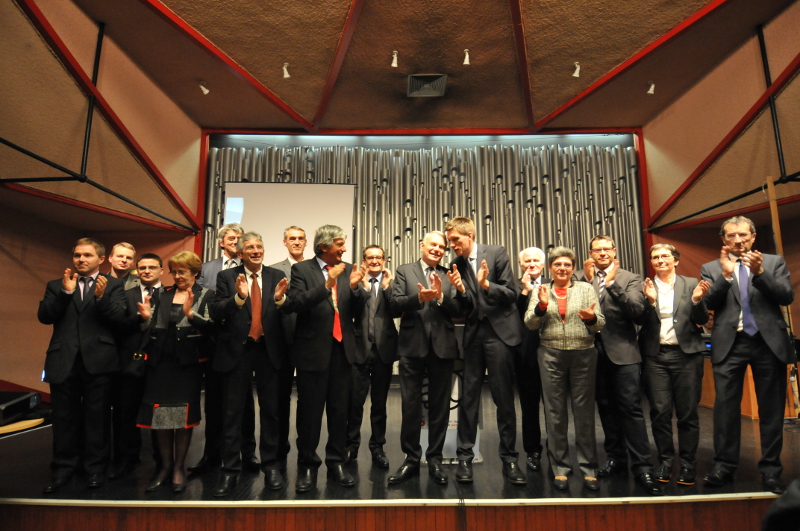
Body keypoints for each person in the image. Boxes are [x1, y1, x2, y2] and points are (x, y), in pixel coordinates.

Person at [700, 216, 795, 494]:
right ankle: (723, 467)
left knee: (771, 410)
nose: (738, 240)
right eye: (731, 236)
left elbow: (786, 297)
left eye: (743, 235)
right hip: (730, 343)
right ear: (724, 240)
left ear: (753, 236)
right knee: (726, 410)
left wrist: (761, 273)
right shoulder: (711, 267)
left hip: (768, 343)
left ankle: (771, 471)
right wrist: (726, 275)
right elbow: (706, 304)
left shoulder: (773, 262)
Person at [281, 225, 366, 492]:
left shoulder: (349, 269)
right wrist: (327, 284)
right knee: (309, 413)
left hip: (343, 351)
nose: (344, 249)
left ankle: (336, 462)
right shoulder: (302, 270)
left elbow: (357, 309)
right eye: (339, 244)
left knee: (340, 412)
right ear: (323, 247)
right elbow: (295, 303)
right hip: (312, 353)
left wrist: (354, 289)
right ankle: (307, 466)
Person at [38, 238, 127, 493]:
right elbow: (45, 317)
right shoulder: (57, 285)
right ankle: (63, 470)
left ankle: (95, 470)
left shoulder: (114, 286)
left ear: (101, 259)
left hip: (98, 360)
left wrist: (101, 299)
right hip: (63, 361)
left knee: (97, 419)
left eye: (87, 255)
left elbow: (120, 319)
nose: (81, 259)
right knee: (63, 418)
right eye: (77, 255)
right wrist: (66, 294)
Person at [444, 217, 526, 485]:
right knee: (468, 398)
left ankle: (510, 459)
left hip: (500, 334)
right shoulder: (454, 265)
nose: (452, 245)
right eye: (450, 241)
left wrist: (486, 284)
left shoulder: (496, 253)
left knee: (503, 398)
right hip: (473, 336)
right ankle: (465, 458)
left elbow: (512, 294)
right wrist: (459, 291)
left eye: (455, 239)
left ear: (469, 235)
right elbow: (463, 307)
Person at [582, 235, 662, 495]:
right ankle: (616, 458)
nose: (602, 253)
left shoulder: (631, 278)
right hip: (592, 353)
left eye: (607, 249)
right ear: (591, 253)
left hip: (624, 353)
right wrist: (585, 281)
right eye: (598, 250)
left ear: (614, 251)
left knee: (631, 410)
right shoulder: (584, 279)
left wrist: (613, 283)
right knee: (605, 407)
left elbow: (637, 312)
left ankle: (642, 467)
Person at [210, 233, 289, 496]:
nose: (255, 251)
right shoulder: (227, 277)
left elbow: (287, 312)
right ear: (240, 253)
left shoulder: (277, 275)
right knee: (232, 413)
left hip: (269, 351)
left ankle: (271, 467)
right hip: (237, 352)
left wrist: (280, 300)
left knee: (271, 412)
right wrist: (238, 298)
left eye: (259, 247)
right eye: (249, 248)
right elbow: (216, 311)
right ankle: (230, 471)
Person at [525, 247, 605, 491]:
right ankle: (560, 468)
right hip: (550, 354)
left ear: (573, 268)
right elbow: (529, 323)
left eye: (567, 265)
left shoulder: (585, 289)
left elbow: (600, 324)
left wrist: (591, 318)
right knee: (555, 412)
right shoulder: (542, 290)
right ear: (550, 268)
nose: (562, 268)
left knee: (584, 413)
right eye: (557, 264)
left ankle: (589, 468)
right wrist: (540, 306)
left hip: (583, 355)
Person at [136, 251, 215, 493]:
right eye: (174, 271)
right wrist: (145, 319)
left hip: (187, 365)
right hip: (160, 364)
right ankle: (165, 467)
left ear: (195, 272)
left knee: (182, 418)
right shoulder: (161, 294)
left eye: (182, 271)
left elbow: (212, 326)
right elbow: (148, 329)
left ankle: (179, 467)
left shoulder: (206, 295)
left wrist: (192, 314)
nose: (178, 276)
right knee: (161, 417)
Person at [387, 232, 460, 486]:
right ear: (422, 246)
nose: (437, 249)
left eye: (442, 246)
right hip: (412, 346)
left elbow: (461, 309)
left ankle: (436, 458)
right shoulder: (405, 271)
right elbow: (394, 305)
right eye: (433, 245)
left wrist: (441, 297)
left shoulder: (449, 273)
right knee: (410, 406)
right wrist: (417, 299)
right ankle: (411, 458)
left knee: (440, 407)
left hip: (443, 347)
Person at [639, 243, 710, 487]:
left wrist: (698, 301)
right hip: (655, 356)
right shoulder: (645, 286)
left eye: (665, 256)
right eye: (655, 257)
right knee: (660, 413)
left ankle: (689, 464)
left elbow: (701, 320)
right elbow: (639, 322)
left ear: (675, 260)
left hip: (687, 355)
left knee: (687, 413)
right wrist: (649, 302)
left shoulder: (690, 284)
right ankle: (666, 461)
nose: (660, 260)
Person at [192, 222, 258, 474]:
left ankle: (248, 453)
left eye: (239, 238)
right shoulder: (207, 269)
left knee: (244, 404)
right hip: (213, 341)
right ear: (221, 242)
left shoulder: (255, 268)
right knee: (216, 403)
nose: (236, 241)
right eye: (231, 238)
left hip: (243, 343)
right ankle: (211, 454)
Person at [110, 253, 164, 480]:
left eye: (152, 267)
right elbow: (116, 324)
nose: (147, 271)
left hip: (160, 364)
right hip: (128, 361)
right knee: (126, 412)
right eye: (142, 268)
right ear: (136, 270)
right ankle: (127, 459)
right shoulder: (124, 293)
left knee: (160, 414)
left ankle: (163, 462)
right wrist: (141, 319)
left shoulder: (172, 294)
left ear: (162, 270)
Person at [345, 245, 398, 469]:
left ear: (384, 260)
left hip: (383, 350)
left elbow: (396, 310)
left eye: (378, 257)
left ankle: (377, 447)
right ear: (364, 261)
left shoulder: (394, 283)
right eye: (370, 257)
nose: (374, 260)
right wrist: (362, 288)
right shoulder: (355, 281)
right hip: (359, 349)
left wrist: (386, 288)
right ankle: (351, 446)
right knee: (355, 403)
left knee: (379, 404)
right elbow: (351, 310)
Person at [269, 225, 308, 472]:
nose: (296, 242)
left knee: (306, 400)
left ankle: (304, 448)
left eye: (300, 239)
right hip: (281, 342)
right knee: (279, 398)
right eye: (292, 239)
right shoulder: (272, 271)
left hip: (307, 342)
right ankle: (279, 447)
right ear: (284, 242)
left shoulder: (314, 270)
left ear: (306, 242)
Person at [515, 247, 547, 473]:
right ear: (520, 264)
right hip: (527, 353)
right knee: (529, 406)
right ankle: (533, 451)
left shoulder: (557, 283)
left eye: (536, 260)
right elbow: (512, 318)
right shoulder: (514, 287)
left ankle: (557, 450)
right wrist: (525, 292)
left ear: (544, 265)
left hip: (556, 351)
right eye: (527, 261)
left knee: (557, 407)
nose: (532, 264)